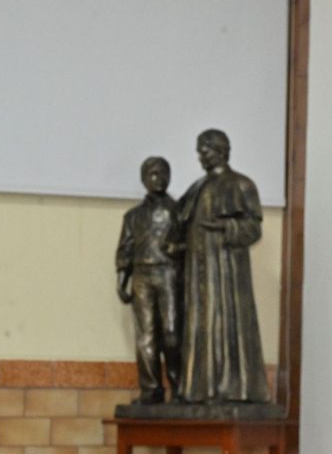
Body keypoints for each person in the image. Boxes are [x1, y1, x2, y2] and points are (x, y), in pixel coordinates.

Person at [177, 129, 270, 403]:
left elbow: (253, 228)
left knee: (227, 324)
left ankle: (232, 388)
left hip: (227, 271)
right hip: (198, 271)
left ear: (220, 150)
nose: (200, 156)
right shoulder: (196, 188)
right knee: (201, 324)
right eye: (199, 151)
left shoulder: (241, 185)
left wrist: (225, 227)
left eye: (204, 151)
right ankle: (200, 388)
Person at [116, 156, 182, 404]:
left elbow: (194, 244)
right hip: (142, 276)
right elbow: (125, 249)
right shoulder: (133, 216)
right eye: (153, 174)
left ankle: (180, 388)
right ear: (144, 179)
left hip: (169, 274)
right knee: (146, 336)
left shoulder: (180, 212)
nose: (159, 178)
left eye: (164, 173)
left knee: (172, 333)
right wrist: (122, 278)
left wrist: (179, 248)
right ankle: (151, 390)